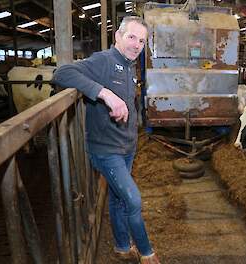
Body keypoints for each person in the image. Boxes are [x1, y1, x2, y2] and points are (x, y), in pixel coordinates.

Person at [52, 16, 160, 264]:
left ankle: (122, 247)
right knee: (133, 200)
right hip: (106, 150)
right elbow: (62, 73)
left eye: (142, 41)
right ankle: (146, 253)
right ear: (117, 37)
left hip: (127, 147)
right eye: (131, 37)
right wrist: (105, 93)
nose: (136, 45)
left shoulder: (130, 65)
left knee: (118, 198)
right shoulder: (103, 61)